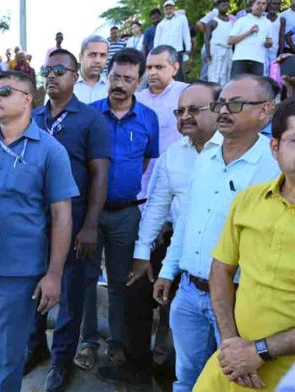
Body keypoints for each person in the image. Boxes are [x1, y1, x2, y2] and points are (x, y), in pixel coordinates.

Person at [153, 74, 280, 392]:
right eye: (221, 102)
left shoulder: (274, 166)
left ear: (265, 111)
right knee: (186, 379)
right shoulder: (206, 158)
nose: (224, 110)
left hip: (240, 301)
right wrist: (169, 270)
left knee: (235, 382)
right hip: (188, 293)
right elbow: (186, 220)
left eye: (235, 104)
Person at [0, 71, 79, 392]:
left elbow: (62, 217)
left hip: (19, 274)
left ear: (28, 99)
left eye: (5, 92)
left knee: (8, 363)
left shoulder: (50, 151)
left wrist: (53, 275)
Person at [98, 81, 223, 385]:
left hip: (221, 255)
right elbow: (156, 207)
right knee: (134, 289)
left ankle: (172, 368)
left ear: (219, 111)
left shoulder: (231, 151)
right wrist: (142, 255)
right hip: (176, 244)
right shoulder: (173, 155)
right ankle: (138, 365)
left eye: (195, 109)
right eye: (180, 111)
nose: (185, 116)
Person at [194, 97, 295, 391]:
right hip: (234, 365)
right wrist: (230, 343)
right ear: (274, 147)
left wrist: (260, 351)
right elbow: (221, 270)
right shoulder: (248, 200)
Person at [27, 49, 111, 390]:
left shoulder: (91, 119)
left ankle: (62, 361)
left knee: (71, 293)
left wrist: (90, 225)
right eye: (48, 69)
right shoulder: (32, 117)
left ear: (76, 76)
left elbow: (100, 175)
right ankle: (35, 349)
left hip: (75, 222)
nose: (52, 75)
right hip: (35, 223)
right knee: (33, 287)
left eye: (60, 69)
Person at [80, 48, 159, 373]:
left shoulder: (148, 119)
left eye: (128, 79)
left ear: (138, 82)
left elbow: (144, 162)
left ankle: (116, 344)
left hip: (127, 213)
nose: (120, 84)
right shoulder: (89, 115)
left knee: (119, 281)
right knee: (85, 279)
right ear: (107, 76)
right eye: (115, 77)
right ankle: (87, 343)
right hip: (90, 215)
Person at [135, 45, 189, 200]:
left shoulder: (186, 93)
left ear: (175, 68)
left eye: (159, 67)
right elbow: (130, 133)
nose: (152, 72)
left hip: (177, 170)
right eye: (149, 67)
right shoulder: (137, 99)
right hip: (143, 171)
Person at [228, 0, 273, 78]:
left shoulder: (268, 23)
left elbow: (269, 42)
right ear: (252, 5)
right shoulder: (242, 20)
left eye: (263, 4)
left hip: (258, 61)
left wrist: (268, 43)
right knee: (237, 87)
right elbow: (230, 41)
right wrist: (249, 32)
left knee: (255, 88)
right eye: (258, 3)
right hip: (240, 60)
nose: (260, 6)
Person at [154, 0, 192, 82]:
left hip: (177, 50)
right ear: (164, 9)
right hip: (164, 52)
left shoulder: (181, 18)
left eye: (170, 7)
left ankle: (179, 92)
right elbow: (157, 40)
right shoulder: (161, 24)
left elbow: (186, 33)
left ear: (174, 8)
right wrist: (155, 53)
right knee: (165, 71)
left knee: (178, 72)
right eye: (166, 8)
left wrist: (188, 47)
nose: (168, 9)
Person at [205, 0, 235, 86]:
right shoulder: (212, 22)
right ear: (217, 6)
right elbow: (207, 39)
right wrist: (208, 54)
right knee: (215, 74)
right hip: (216, 50)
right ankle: (213, 94)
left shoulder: (232, 21)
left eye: (226, 3)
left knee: (226, 75)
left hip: (229, 50)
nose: (225, 5)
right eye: (222, 3)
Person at [74, 35, 109, 104]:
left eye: (102, 55)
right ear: (80, 58)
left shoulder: (111, 87)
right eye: (93, 54)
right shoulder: (66, 85)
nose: (98, 60)